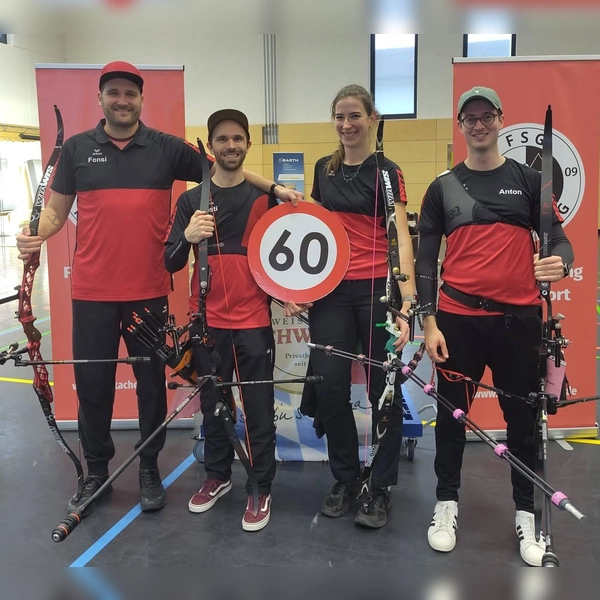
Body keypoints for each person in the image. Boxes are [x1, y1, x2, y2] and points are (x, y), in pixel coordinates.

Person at [15, 61, 299, 517]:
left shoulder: (167, 149)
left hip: (147, 291)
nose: (123, 101)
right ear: (101, 98)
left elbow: (225, 168)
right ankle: (96, 473)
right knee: (92, 386)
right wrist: (37, 235)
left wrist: (276, 188)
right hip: (90, 292)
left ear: (141, 100)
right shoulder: (77, 151)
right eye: (114, 93)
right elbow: (55, 210)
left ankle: (149, 468)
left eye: (131, 94)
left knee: (150, 386)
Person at [415, 86, 574, 566]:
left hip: (517, 323)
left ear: (500, 120)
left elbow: (561, 243)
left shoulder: (529, 181)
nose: (479, 124)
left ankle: (526, 514)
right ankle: (446, 504)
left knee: (521, 422)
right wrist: (429, 323)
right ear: (460, 124)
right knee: (450, 418)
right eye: (470, 117)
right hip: (458, 322)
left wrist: (560, 265)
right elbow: (425, 261)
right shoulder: (442, 186)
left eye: (487, 116)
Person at [289, 84, 415, 529]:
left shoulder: (388, 172)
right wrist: (301, 286)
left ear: (372, 119)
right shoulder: (324, 170)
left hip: (377, 290)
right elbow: (315, 231)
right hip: (332, 293)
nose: (347, 125)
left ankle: (379, 489)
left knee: (385, 391)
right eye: (340, 117)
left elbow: (401, 236)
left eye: (355, 116)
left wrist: (407, 300)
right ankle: (345, 478)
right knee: (329, 386)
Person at [164, 109, 277, 532]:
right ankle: (218, 477)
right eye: (222, 140)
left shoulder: (265, 199)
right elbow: (171, 261)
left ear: (248, 144)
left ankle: (262, 486)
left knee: (260, 409)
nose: (231, 146)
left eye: (238, 139)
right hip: (207, 321)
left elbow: (287, 260)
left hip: (253, 321)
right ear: (210, 147)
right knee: (212, 406)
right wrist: (188, 236)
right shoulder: (190, 202)